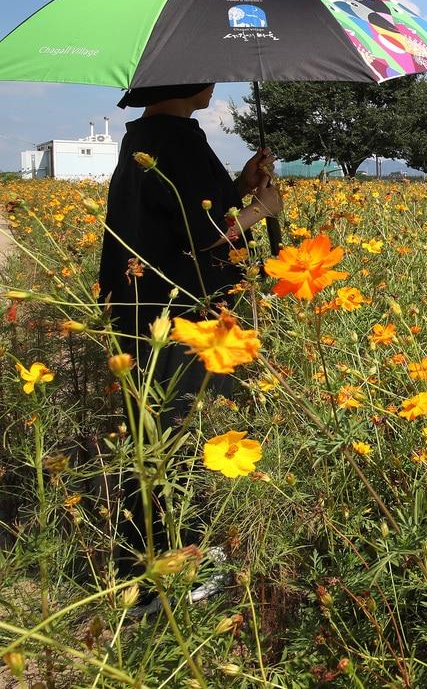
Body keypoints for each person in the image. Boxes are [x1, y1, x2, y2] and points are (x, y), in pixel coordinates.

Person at [96, 82, 281, 594]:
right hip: (184, 319)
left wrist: (241, 185)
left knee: (155, 436)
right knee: (183, 436)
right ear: (186, 81)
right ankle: (175, 573)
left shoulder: (145, 137)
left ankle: (148, 564)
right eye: (207, 74)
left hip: (144, 314)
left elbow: (184, 217)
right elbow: (205, 238)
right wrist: (262, 210)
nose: (214, 84)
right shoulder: (175, 140)